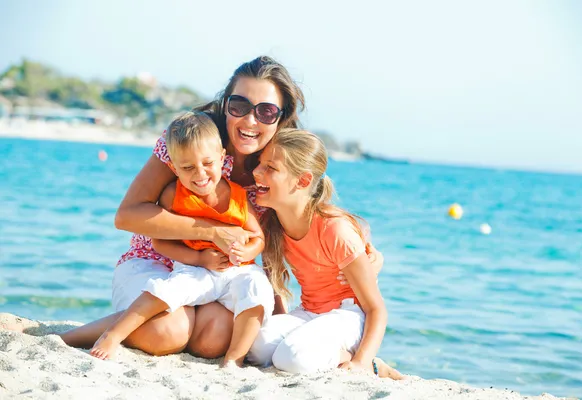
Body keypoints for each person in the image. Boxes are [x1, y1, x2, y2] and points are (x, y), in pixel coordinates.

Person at [59, 56, 384, 358]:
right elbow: (127, 215)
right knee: (166, 332)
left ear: (281, 119)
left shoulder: (276, 168)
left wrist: (360, 241)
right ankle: (69, 336)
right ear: (225, 104)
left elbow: (307, 222)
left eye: (266, 111)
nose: (250, 119)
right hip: (157, 260)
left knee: (214, 340)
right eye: (239, 105)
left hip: (223, 274)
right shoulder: (191, 142)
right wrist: (213, 232)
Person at [89, 111, 274, 366]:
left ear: (222, 158)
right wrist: (199, 257)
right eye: (188, 168)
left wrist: (249, 252)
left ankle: (234, 359)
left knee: (255, 291)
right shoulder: (174, 195)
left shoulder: (238, 196)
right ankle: (112, 334)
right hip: (196, 268)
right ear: (174, 168)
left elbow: (258, 237)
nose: (200, 174)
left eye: (208, 164)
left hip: (235, 271)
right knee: (168, 291)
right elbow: (159, 242)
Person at [246, 129, 403, 379]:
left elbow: (376, 309)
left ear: (303, 181)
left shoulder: (335, 230)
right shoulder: (271, 225)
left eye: (270, 168)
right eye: (260, 164)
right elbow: (273, 285)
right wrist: (281, 331)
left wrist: (362, 362)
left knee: (292, 358)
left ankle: (371, 364)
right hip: (310, 312)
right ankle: (308, 349)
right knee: (255, 346)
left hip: (349, 316)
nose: (257, 172)